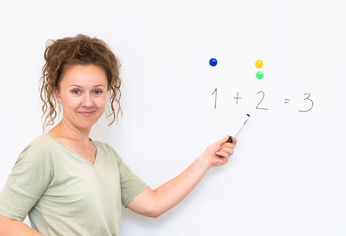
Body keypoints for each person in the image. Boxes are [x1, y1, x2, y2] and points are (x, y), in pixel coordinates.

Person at [0, 34, 237, 236]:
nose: (88, 102)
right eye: (76, 91)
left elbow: (153, 203)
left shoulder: (106, 155)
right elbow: (4, 222)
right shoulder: (44, 151)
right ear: (58, 94)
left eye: (97, 91)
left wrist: (204, 161)